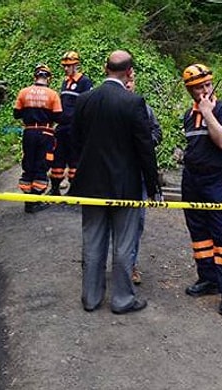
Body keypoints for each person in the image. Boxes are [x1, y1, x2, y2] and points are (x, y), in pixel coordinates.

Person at [69, 50, 160, 314]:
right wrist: (152, 187)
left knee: (93, 242)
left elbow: (74, 140)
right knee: (123, 244)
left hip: (91, 186)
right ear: (129, 72)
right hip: (126, 187)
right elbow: (145, 149)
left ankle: (91, 298)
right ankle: (122, 300)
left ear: (105, 69)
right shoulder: (134, 103)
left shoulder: (84, 100)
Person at [180, 63, 222, 317]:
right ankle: (208, 278)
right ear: (190, 90)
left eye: (207, 85)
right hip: (193, 180)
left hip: (219, 182)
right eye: (198, 88)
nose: (205, 90)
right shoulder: (186, 115)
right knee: (199, 234)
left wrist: (208, 114)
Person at [125, 78, 162, 285]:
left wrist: (144, 144)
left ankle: (131, 265)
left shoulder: (144, 108)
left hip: (138, 173)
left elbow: (158, 132)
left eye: (131, 81)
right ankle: (107, 263)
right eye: (126, 80)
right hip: (114, 174)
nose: (128, 84)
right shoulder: (111, 106)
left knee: (136, 222)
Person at [13, 63, 63, 213]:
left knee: (28, 162)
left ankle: (28, 199)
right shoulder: (52, 95)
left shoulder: (23, 92)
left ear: (35, 76)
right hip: (45, 132)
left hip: (29, 132)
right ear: (49, 78)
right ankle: (36, 199)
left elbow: (16, 114)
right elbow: (59, 116)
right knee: (42, 163)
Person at [49, 51, 93, 195]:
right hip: (62, 127)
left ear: (76, 66)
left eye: (68, 66)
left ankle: (74, 191)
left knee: (75, 159)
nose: (66, 69)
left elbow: (87, 105)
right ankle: (55, 188)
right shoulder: (65, 83)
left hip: (75, 128)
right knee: (58, 158)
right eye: (64, 66)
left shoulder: (84, 82)